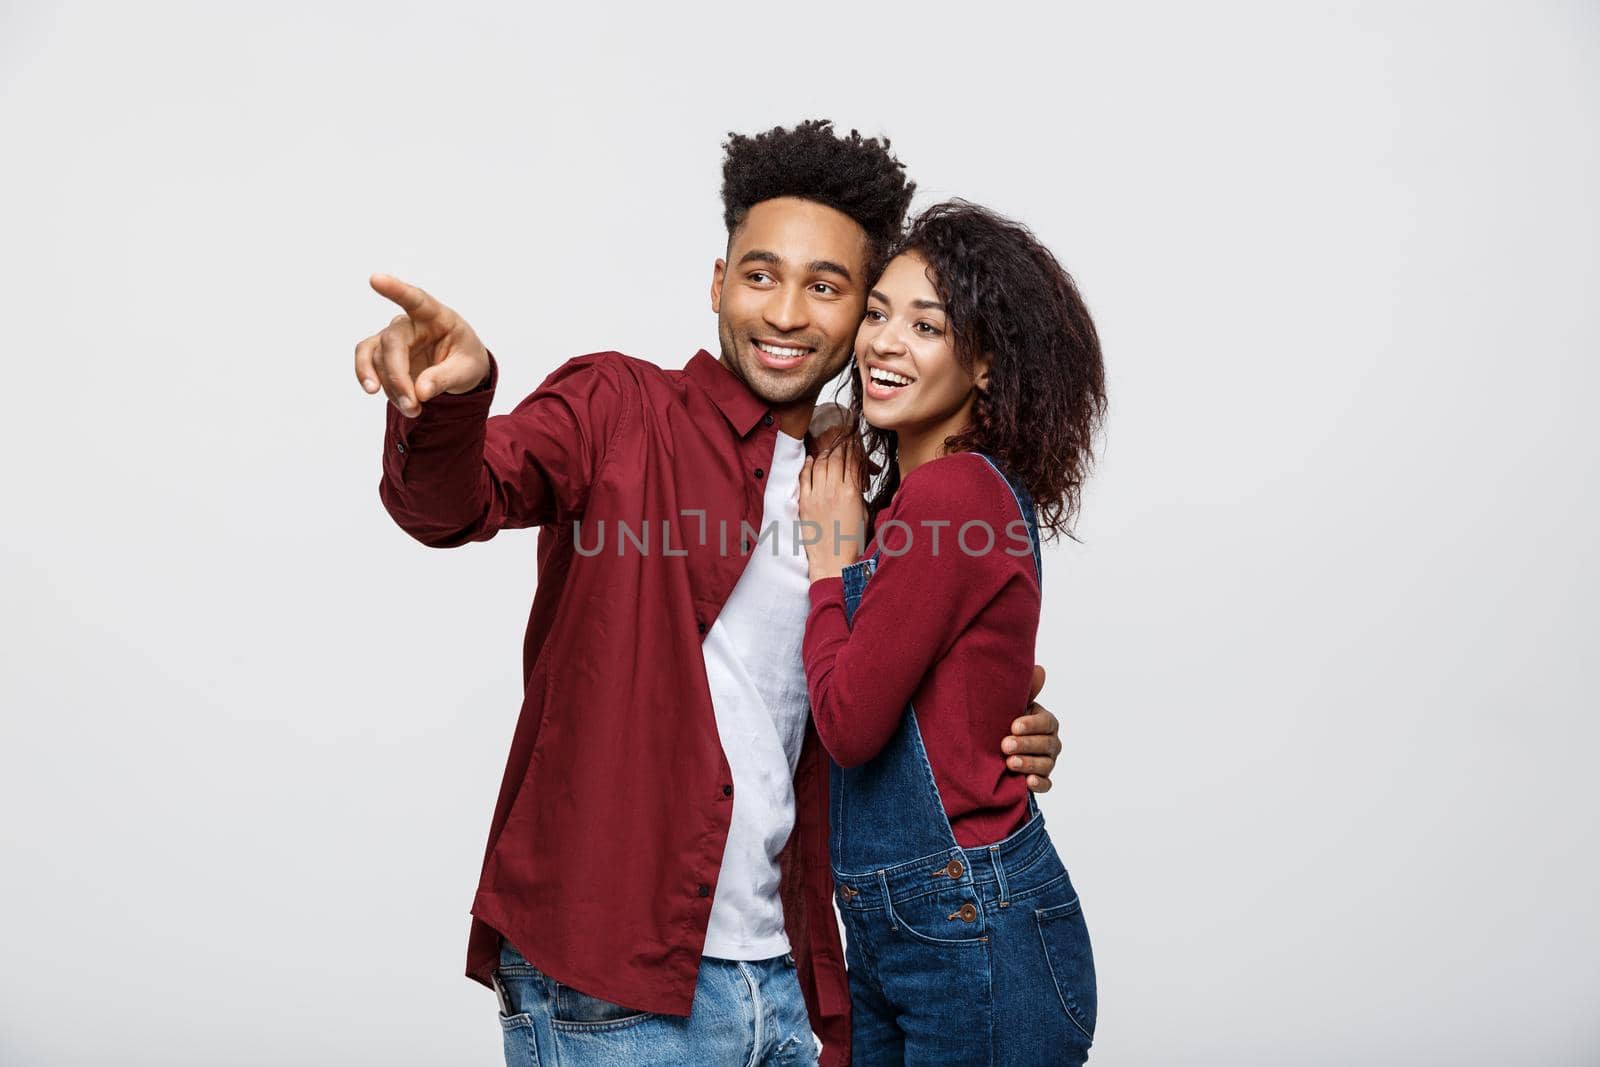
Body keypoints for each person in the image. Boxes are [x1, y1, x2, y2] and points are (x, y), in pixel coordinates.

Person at [354, 121, 1067, 1067]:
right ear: (718, 280)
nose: (784, 313)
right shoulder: (618, 409)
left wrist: (1009, 727)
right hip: (611, 989)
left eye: (826, 287)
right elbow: (455, 502)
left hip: (794, 979)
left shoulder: (860, 497)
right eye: (761, 275)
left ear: (861, 315)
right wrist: (455, 400)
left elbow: (879, 700)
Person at [798, 200, 1107, 1064]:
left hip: (968, 922)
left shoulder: (953, 495)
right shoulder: (916, 503)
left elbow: (852, 723)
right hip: (914, 925)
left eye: (926, 325)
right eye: (878, 313)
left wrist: (831, 560)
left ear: (983, 365)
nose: (884, 343)